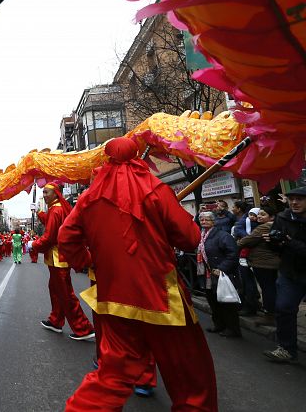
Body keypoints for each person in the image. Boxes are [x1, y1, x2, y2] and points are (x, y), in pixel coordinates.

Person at [58, 137, 217, 411]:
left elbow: (66, 238)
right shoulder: (156, 190)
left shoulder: (88, 198)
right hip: (161, 298)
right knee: (190, 378)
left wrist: (87, 261)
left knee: (112, 375)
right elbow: (190, 239)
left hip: (114, 298)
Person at [32, 183, 94, 341]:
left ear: (55, 193)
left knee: (65, 293)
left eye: (46, 192)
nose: (44, 195)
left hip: (58, 258)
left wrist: (33, 244)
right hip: (56, 258)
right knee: (55, 289)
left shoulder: (56, 209)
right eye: (43, 192)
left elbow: (50, 236)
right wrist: (39, 211)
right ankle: (55, 320)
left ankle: (83, 327)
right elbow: (50, 222)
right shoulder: (55, 208)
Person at [263, 186, 306, 364]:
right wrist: (272, 242)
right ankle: (287, 349)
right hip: (290, 272)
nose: (294, 202)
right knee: (284, 308)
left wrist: (289, 242)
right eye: (291, 199)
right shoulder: (282, 217)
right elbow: (276, 247)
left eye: (300, 199)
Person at [198, 211, 242, 338]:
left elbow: (232, 254)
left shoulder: (223, 235)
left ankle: (233, 329)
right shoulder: (201, 236)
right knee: (213, 301)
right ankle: (219, 325)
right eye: (202, 219)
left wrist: (222, 268)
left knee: (226, 303)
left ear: (213, 222)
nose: (204, 221)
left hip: (221, 274)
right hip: (207, 275)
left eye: (207, 219)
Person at [237, 205, 280, 327]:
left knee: (267, 289)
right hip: (270, 262)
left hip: (263, 263)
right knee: (270, 288)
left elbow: (247, 240)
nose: (259, 216)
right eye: (259, 214)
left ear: (271, 217)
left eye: (263, 214)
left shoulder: (264, 227)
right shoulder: (273, 225)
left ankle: (270, 315)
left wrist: (237, 243)